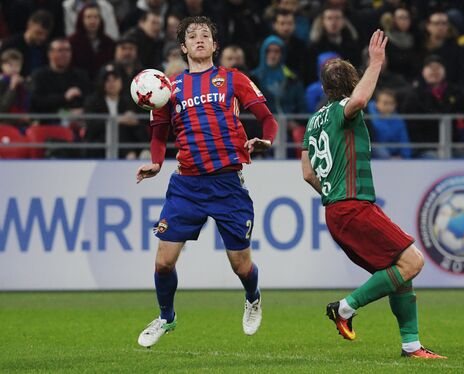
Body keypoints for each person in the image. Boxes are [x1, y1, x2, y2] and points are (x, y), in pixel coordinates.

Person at [301, 30, 446, 359]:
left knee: (399, 269)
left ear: (324, 88)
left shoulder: (313, 121)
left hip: (336, 210)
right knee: (413, 262)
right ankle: (345, 308)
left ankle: (411, 346)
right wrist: (376, 62)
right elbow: (361, 101)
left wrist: (332, 191)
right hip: (353, 207)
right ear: (352, 84)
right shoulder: (343, 110)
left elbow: (307, 172)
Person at [135, 16, 279, 348]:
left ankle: (253, 297)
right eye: (192, 36)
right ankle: (166, 317)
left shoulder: (233, 79)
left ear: (215, 45)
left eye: (205, 35)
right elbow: (159, 132)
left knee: (240, 265)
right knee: (162, 262)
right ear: (183, 47)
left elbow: (267, 119)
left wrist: (266, 140)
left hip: (227, 184)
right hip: (187, 185)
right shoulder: (169, 87)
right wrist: (157, 162)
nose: (199, 39)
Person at [0, 10, 53, 77]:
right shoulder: (10, 44)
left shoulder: (45, 48)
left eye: (46, 35)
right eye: (38, 33)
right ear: (29, 25)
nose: (42, 38)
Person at [366, 89, 411, 159]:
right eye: (385, 103)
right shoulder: (368, 117)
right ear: (376, 104)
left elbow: (404, 140)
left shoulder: (399, 120)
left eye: (391, 103)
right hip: (375, 154)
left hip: (395, 155)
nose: (388, 107)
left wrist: (404, 156)